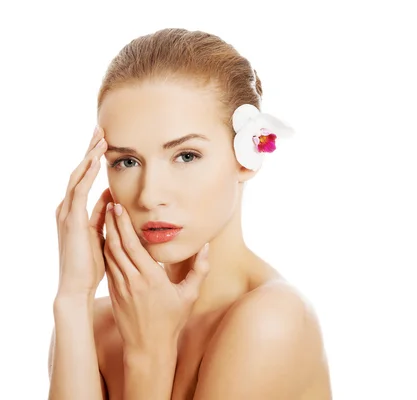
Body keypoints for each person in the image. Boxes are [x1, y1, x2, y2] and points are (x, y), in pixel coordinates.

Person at [48, 28, 332, 400]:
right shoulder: (93, 326)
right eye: (126, 161)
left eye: (186, 156)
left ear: (246, 157)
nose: (150, 195)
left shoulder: (272, 321)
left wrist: (149, 357)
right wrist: (72, 296)